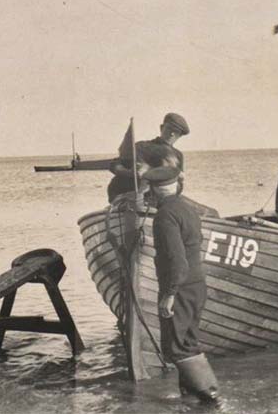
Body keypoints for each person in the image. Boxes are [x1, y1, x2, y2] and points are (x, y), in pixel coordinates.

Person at [143, 166, 222, 406]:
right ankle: (191, 402)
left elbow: (177, 261)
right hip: (196, 285)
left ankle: (211, 399)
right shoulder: (188, 209)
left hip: (180, 288)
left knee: (177, 348)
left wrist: (169, 294)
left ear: (154, 190)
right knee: (188, 342)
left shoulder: (165, 215)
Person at [107, 112, 189, 203]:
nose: (172, 134)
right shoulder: (141, 147)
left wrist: (178, 181)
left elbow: (178, 187)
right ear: (162, 128)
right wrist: (129, 172)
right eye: (169, 129)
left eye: (176, 132)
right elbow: (115, 164)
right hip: (131, 196)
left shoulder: (178, 155)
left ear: (180, 136)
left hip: (159, 199)